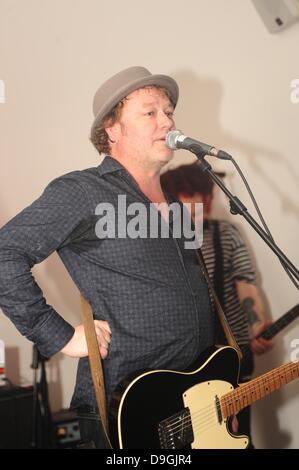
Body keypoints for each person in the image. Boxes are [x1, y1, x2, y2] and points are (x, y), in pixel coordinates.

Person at [0, 67, 218, 449]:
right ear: (112, 129)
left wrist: (217, 396)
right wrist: (61, 336)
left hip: (193, 405)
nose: (167, 120)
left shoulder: (177, 209)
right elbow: (5, 255)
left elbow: (195, 303)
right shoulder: (83, 190)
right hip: (126, 410)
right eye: (150, 112)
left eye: (168, 111)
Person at [161, 162, 274, 448]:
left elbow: (246, 283)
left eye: (206, 195)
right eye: (191, 197)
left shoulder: (226, 233)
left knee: (238, 438)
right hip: (186, 368)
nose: (204, 204)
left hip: (235, 357)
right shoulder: (159, 243)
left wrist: (257, 324)